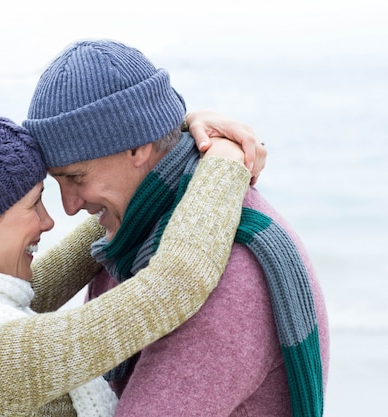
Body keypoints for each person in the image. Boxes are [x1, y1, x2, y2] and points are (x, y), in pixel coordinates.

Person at [0, 103, 252, 417]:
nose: (48, 219)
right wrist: (226, 160)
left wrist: (169, 138)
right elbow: (170, 289)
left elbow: (96, 239)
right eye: (34, 202)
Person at [23, 39, 329, 417]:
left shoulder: (229, 279)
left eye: (75, 177)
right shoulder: (133, 234)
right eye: (57, 182)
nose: (69, 207)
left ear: (137, 148)